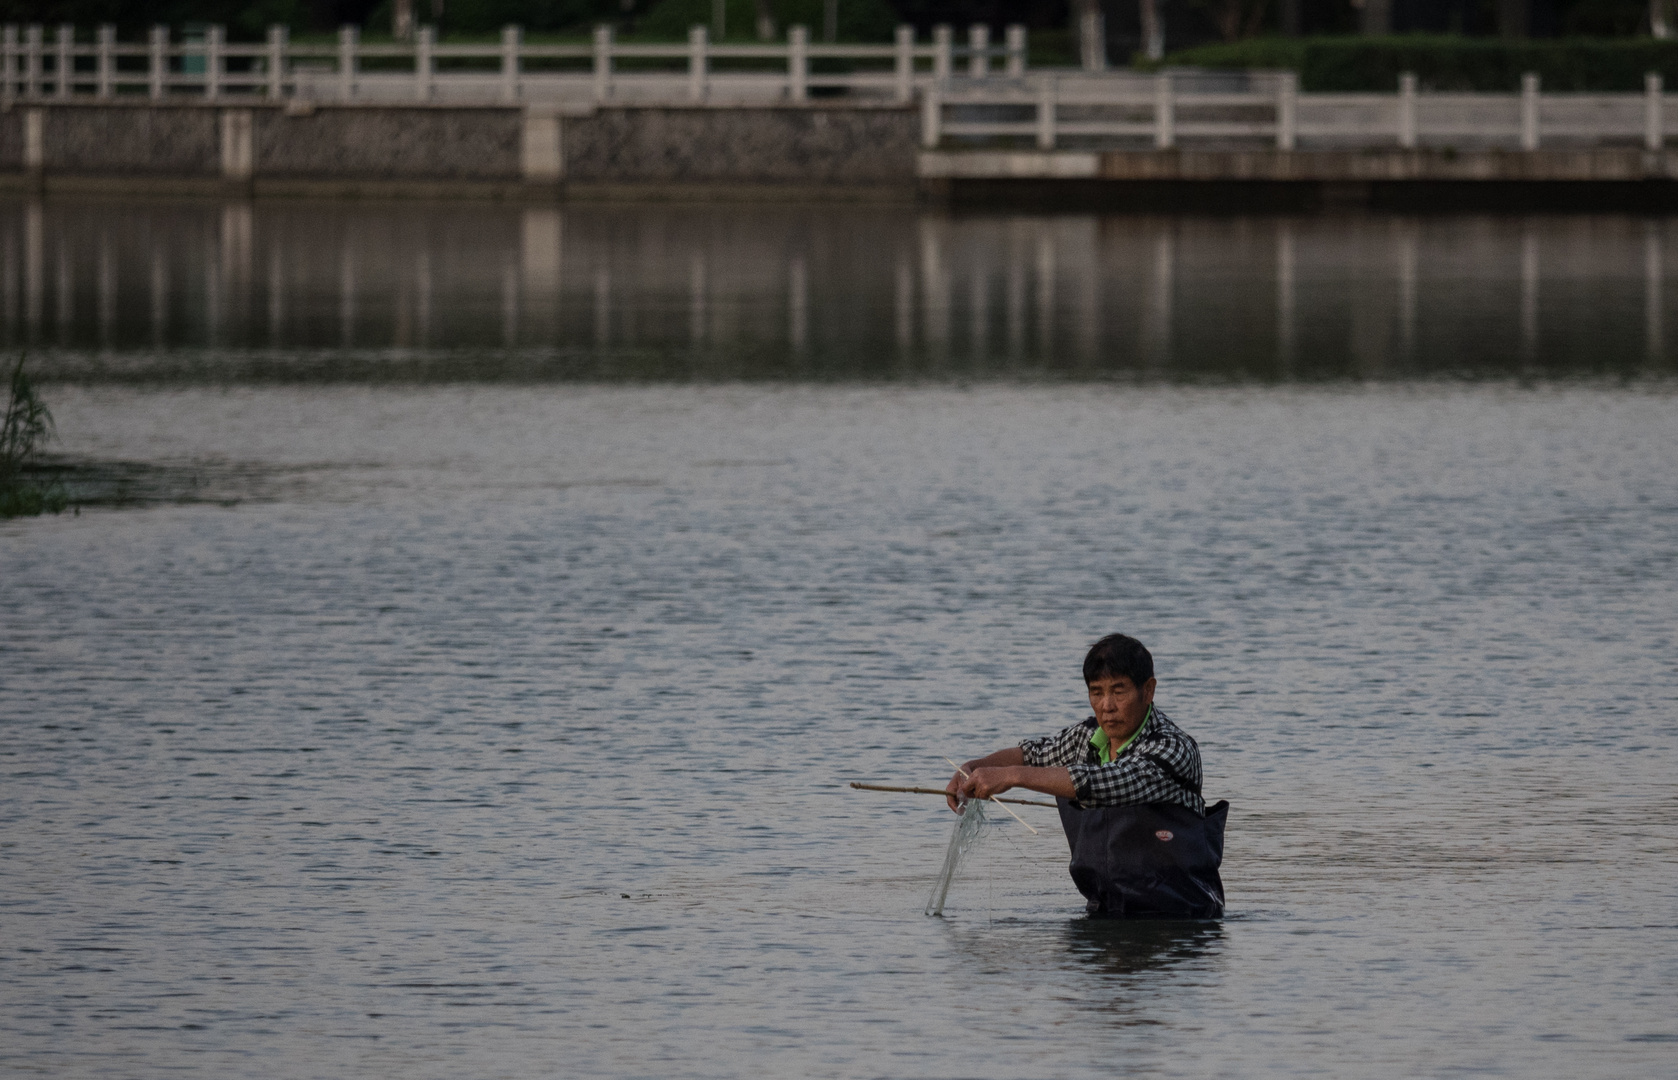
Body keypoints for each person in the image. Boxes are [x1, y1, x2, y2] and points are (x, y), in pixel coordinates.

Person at [944, 634, 1227, 919]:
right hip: (1106, 913)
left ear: (1148, 690)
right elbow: (1032, 755)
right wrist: (971, 768)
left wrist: (1012, 777)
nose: (1107, 705)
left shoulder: (1173, 748)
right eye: (1097, 692)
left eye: (1119, 691)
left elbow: (1108, 782)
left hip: (1183, 917)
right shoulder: (1087, 736)